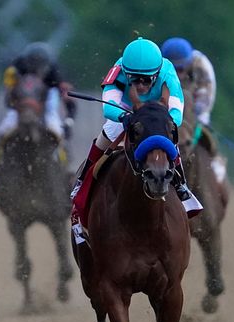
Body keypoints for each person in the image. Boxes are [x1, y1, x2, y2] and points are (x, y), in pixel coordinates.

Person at [70, 37, 201, 216]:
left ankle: (181, 184)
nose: (140, 86)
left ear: (156, 73)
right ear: (126, 72)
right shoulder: (118, 70)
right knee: (110, 131)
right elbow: (109, 106)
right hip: (126, 109)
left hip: (157, 114)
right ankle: (82, 181)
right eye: (134, 80)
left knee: (170, 138)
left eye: (146, 80)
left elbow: (177, 112)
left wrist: (164, 119)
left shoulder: (168, 71)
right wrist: (123, 116)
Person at [0, 42, 76, 147]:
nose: (36, 69)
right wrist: (17, 104)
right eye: (33, 63)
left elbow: (69, 100)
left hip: (46, 104)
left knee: (56, 130)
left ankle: (62, 158)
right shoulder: (17, 68)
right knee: (4, 130)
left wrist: (68, 122)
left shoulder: (54, 73)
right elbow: (8, 97)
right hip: (20, 106)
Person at [161, 37, 216, 127]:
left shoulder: (201, 66)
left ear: (189, 64)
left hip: (193, 111)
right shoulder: (158, 65)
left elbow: (205, 99)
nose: (177, 75)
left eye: (180, 69)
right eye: (173, 70)